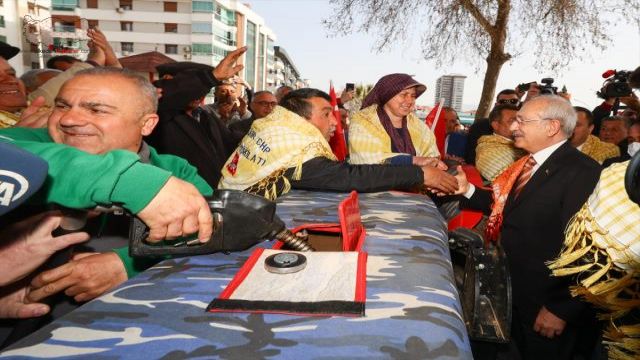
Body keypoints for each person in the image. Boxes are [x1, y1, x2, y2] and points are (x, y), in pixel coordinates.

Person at [455, 95, 601, 359]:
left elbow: (588, 248)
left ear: (551, 127)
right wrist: (466, 189)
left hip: (547, 304)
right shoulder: (526, 163)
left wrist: (560, 308)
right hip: (516, 294)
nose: (514, 127)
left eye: (522, 121)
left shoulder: (583, 172)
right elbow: (505, 206)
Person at [219, 88, 458, 199]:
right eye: (326, 114)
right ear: (301, 118)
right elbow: (351, 176)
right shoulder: (291, 145)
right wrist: (418, 174)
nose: (335, 122)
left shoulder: (276, 130)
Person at [147, 48, 247, 188]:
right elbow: (166, 94)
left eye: (206, 89)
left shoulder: (206, 116)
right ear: (168, 81)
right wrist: (210, 77)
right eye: (197, 87)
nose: (201, 94)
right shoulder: (158, 112)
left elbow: (229, 141)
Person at [348, 73, 439, 166]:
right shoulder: (363, 120)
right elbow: (367, 159)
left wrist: (433, 163)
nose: (409, 100)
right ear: (387, 95)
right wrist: (413, 160)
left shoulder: (419, 126)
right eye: (404, 94)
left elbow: (432, 155)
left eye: (413, 95)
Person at [464, 89, 520, 164]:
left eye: (513, 101)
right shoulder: (479, 127)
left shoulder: (528, 125)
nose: (509, 104)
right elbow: (472, 158)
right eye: (503, 102)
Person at [475, 104, 526, 181]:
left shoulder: (523, 144)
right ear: (495, 125)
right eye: (512, 120)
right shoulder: (488, 153)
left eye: (520, 121)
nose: (518, 125)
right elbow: (510, 183)